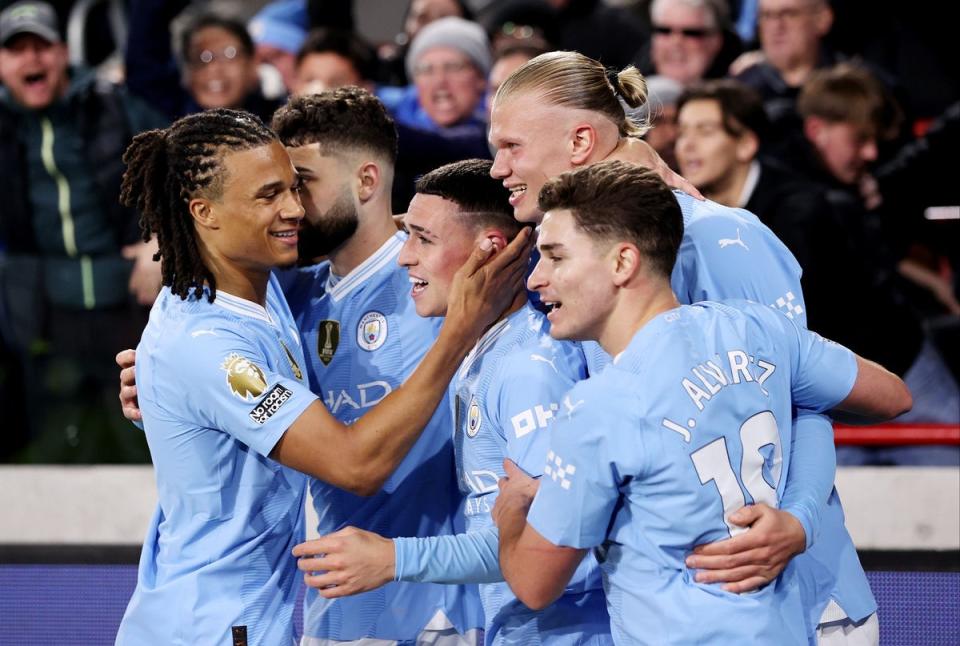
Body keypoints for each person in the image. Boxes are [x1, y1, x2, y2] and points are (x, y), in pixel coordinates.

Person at [487, 50, 880, 642]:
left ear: (580, 141)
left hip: (802, 607)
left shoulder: (719, 238)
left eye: (510, 146)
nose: (497, 168)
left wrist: (797, 522)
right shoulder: (578, 251)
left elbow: (803, 402)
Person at [113, 107, 530, 645]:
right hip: (213, 624)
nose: (294, 209)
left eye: (296, 186)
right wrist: (456, 334)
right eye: (270, 196)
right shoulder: (208, 346)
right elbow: (354, 464)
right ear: (205, 212)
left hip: (259, 615)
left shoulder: (262, 289)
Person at [291, 160, 612, 645]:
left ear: (491, 249)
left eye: (423, 238)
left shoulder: (529, 369)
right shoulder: (485, 351)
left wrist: (392, 558)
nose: (404, 259)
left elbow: (549, 545)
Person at [272, 88, 483, 645]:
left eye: (304, 183)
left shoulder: (446, 281)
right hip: (338, 611)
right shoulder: (289, 300)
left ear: (366, 182)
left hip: (444, 613)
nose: (290, 205)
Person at [0, 0, 165, 462]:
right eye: (16, 50)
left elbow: (182, 171)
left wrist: (163, 243)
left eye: (42, 47)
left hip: (133, 310)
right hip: (49, 319)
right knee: (60, 447)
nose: (31, 60)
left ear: (62, 54)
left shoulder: (113, 105)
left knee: (143, 440)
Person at [124, 1, 282, 123]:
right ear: (188, 74)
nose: (214, 69)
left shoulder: (280, 119)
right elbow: (143, 62)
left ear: (252, 62)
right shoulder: (173, 125)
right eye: (202, 58)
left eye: (228, 54)